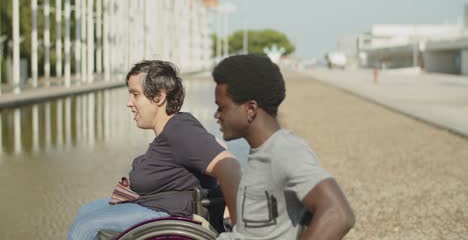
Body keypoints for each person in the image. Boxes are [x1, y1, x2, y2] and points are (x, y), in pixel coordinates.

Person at [68, 60, 241, 240]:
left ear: (159, 97)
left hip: (169, 215)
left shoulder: (180, 129)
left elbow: (230, 166)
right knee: (86, 210)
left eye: (135, 94)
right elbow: (215, 147)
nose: (129, 103)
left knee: (86, 228)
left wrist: (238, 230)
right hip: (154, 206)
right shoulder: (174, 130)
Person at [212, 55, 355, 240]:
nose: (216, 115)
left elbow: (338, 213)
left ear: (251, 109)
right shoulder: (262, 151)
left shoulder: (285, 151)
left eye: (221, 107)